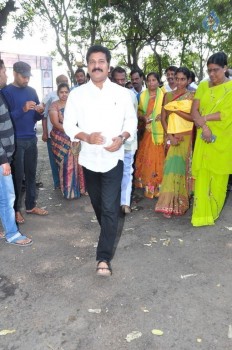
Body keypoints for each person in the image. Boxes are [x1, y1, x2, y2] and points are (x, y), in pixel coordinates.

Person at [63, 45, 137, 276]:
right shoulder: (77, 94)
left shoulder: (122, 93)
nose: (97, 65)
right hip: (89, 159)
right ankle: (108, 229)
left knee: (109, 208)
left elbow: (131, 123)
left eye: (101, 61)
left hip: (114, 159)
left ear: (108, 65)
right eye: (93, 61)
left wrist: (122, 137)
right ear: (87, 66)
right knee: (99, 205)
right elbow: (68, 125)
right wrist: (86, 136)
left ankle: (103, 258)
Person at [2, 61, 48, 224]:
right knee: (17, 177)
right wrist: (22, 109)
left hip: (31, 138)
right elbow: (5, 120)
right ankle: (15, 210)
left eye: (28, 76)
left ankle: (30, 205)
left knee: (31, 174)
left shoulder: (32, 91)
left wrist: (40, 112)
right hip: (15, 141)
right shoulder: (6, 92)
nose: (26, 80)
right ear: (14, 73)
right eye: (23, 77)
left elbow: (35, 117)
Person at [191, 52, 232, 226]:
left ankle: (213, 212)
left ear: (225, 68)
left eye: (216, 70)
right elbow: (194, 111)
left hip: (223, 139)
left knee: (219, 178)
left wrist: (204, 120)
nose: (212, 74)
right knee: (202, 175)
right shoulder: (202, 86)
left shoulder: (230, 89)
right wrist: (205, 127)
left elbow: (226, 114)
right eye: (209, 71)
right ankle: (201, 216)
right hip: (204, 136)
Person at [0, 59, 32, 245]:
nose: (4, 74)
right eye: (3, 70)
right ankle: (12, 234)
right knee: (7, 196)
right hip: (2, 159)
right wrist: (3, 159)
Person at [155, 67, 195, 218]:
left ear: (188, 80)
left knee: (183, 169)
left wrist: (176, 110)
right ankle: (168, 204)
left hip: (187, 136)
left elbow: (193, 118)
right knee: (171, 169)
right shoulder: (168, 95)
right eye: (177, 78)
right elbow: (164, 118)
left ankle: (180, 204)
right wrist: (170, 136)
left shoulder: (192, 95)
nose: (179, 82)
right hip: (173, 136)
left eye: (183, 79)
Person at [49, 83, 86, 199]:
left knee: (78, 163)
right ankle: (69, 191)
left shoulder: (74, 104)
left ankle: (80, 189)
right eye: (61, 92)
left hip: (74, 137)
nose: (64, 94)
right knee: (65, 163)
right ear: (58, 93)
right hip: (61, 138)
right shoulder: (54, 106)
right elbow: (56, 123)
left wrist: (76, 132)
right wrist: (72, 130)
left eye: (66, 92)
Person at [111, 66, 138, 213]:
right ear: (112, 79)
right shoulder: (106, 95)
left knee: (127, 170)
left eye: (123, 80)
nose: (121, 83)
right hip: (111, 141)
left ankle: (125, 203)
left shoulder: (131, 95)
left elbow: (133, 120)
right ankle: (113, 201)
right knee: (112, 171)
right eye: (118, 80)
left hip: (128, 141)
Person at [134, 72, 165, 198]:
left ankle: (158, 187)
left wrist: (162, 115)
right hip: (146, 131)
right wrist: (143, 117)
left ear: (158, 82)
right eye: (149, 80)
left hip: (159, 131)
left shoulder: (164, 95)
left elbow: (167, 111)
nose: (151, 83)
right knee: (146, 157)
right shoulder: (142, 96)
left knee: (158, 159)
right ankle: (148, 186)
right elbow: (138, 111)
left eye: (154, 80)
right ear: (146, 82)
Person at [42, 74, 69, 189]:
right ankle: (58, 183)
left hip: (71, 136)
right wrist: (44, 132)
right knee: (56, 160)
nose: (64, 94)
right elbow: (44, 115)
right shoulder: (50, 97)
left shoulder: (72, 99)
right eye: (62, 82)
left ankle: (69, 184)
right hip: (55, 134)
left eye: (66, 81)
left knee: (70, 161)